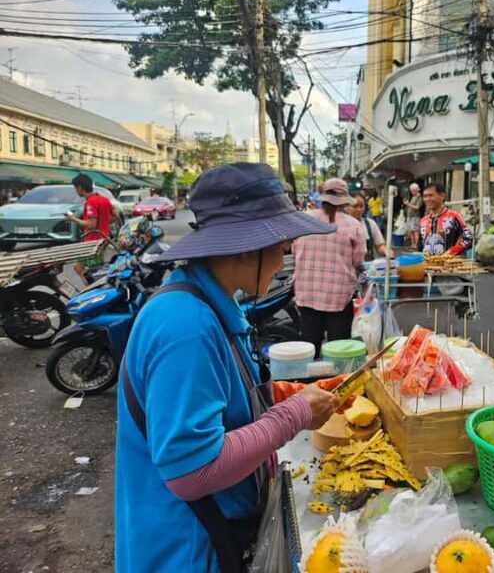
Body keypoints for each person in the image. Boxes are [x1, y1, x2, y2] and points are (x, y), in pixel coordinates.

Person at [115, 162, 341, 572]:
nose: (286, 252)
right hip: (188, 550)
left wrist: (285, 396)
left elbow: (224, 399)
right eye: (280, 241)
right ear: (245, 249)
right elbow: (193, 470)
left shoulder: (213, 302)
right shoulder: (185, 326)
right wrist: (296, 414)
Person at [293, 177, 366, 356]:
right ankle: (336, 382)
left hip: (307, 292)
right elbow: (358, 260)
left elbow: (295, 252)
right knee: (338, 349)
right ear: (344, 201)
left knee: (309, 347)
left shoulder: (303, 220)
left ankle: (307, 381)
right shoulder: (353, 225)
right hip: (339, 296)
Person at [65, 173, 115, 287]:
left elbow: (91, 225)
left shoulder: (90, 202)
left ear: (80, 188)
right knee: (79, 267)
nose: (76, 191)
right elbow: (115, 216)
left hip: (94, 242)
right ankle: (91, 288)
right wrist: (103, 224)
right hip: (103, 238)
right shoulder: (104, 199)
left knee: (94, 272)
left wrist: (73, 219)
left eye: (76, 188)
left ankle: (92, 290)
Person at [417, 182, 473, 256]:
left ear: (442, 196)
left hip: (449, 265)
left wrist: (452, 251)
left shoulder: (454, 216)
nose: (427, 199)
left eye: (431, 195)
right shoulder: (423, 220)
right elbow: (420, 245)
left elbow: (468, 239)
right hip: (428, 265)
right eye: (425, 196)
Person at [348, 191, 387, 259]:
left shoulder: (370, 224)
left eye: (361, 206)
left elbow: (379, 246)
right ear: (346, 206)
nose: (359, 209)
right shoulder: (341, 225)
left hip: (368, 268)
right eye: (355, 206)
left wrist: (386, 251)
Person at [403, 183, 423, 248]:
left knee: (415, 231)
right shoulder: (413, 197)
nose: (411, 192)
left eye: (412, 190)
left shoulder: (419, 197)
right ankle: (413, 244)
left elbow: (417, 207)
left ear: (416, 190)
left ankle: (416, 245)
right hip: (410, 216)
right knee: (411, 231)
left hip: (415, 216)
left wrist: (408, 204)